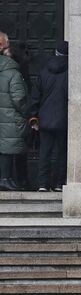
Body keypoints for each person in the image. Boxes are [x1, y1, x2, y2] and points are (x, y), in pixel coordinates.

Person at [31, 41, 68, 192]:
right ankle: (59, 184)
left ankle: (42, 184)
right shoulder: (71, 72)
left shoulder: (44, 71)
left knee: (44, 153)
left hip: (45, 119)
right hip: (63, 119)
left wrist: (33, 117)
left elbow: (35, 97)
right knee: (61, 153)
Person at [0, 33, 29, 191]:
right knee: (8, 149)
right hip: (10, 117)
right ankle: (6, 178)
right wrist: (27, 113)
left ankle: (7, 178)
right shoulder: (13, 72)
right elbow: (19, 99)